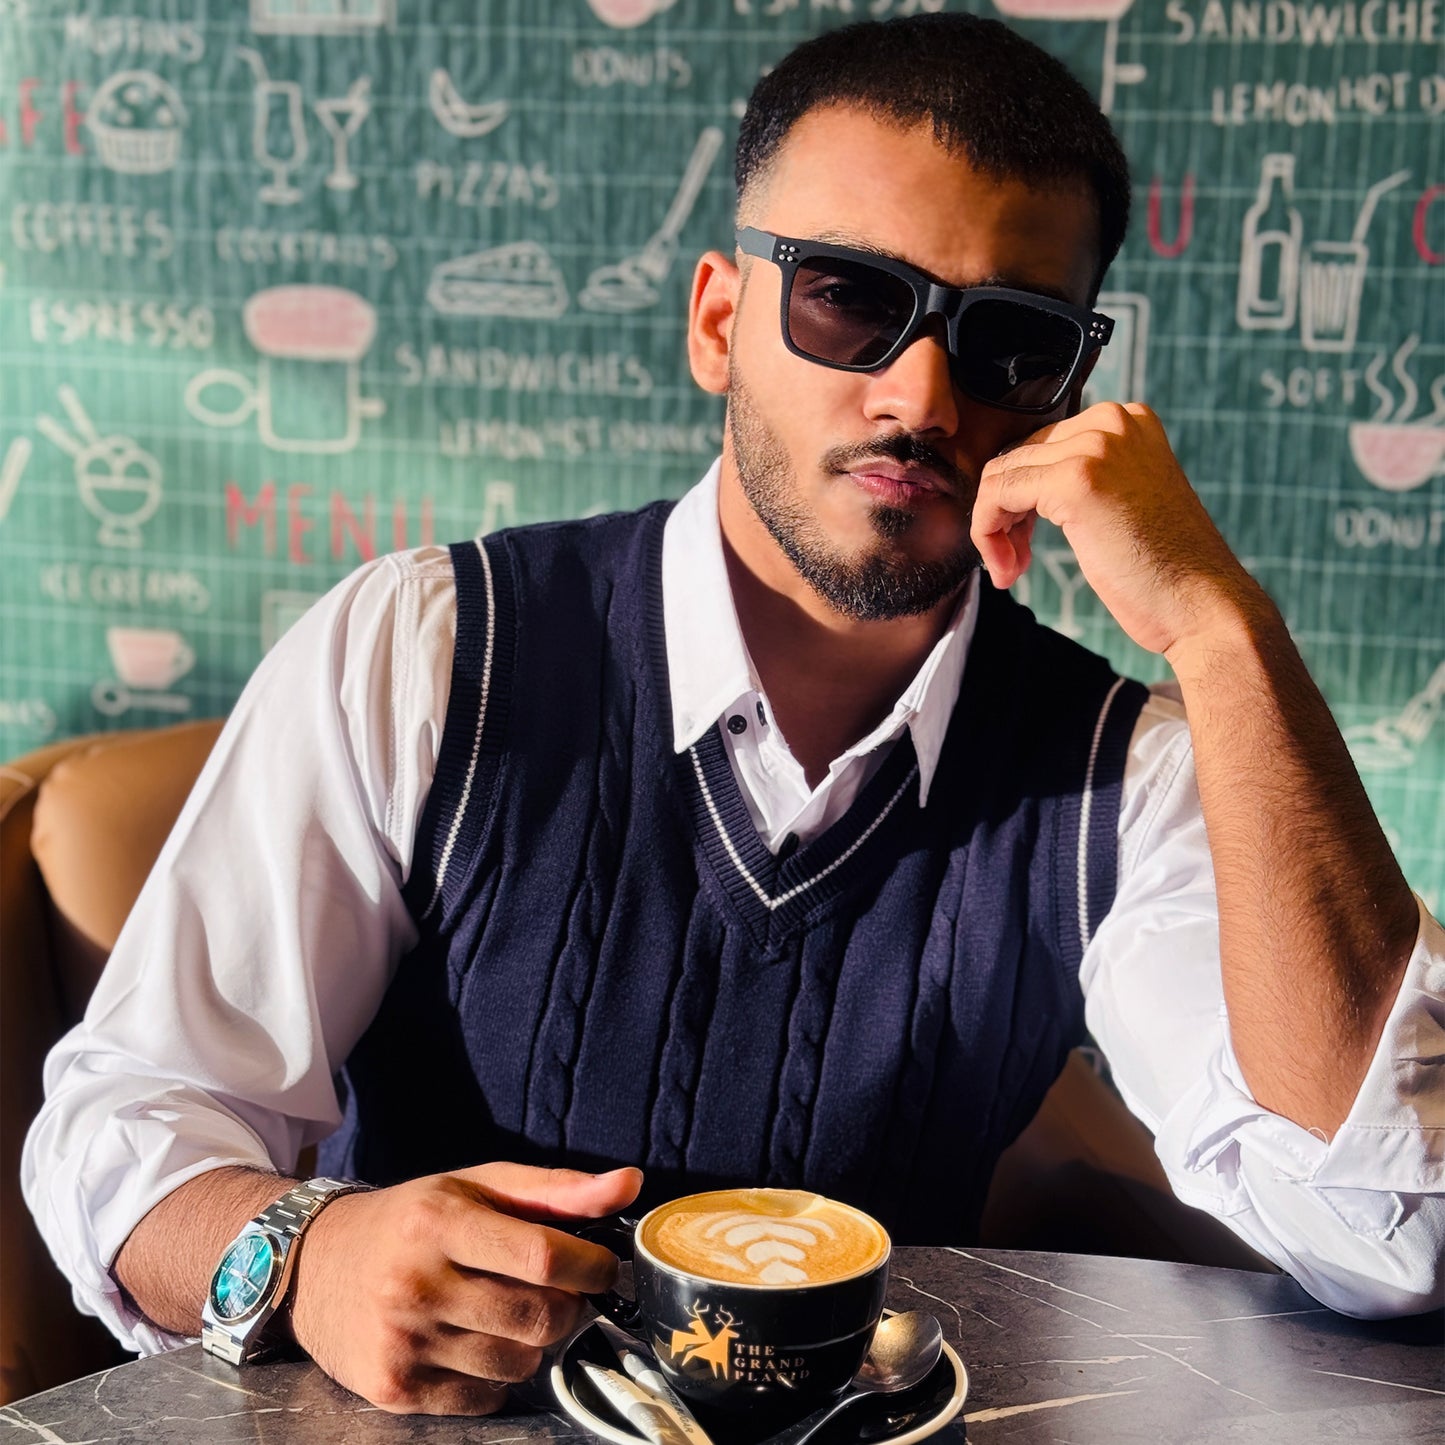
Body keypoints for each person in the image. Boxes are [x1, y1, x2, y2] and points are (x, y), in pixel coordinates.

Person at [24, 12, 1443, 1419]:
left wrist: (1223, 628)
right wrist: (307, 1250)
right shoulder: (429, 648)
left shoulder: (1118, 774)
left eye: (1007, 341)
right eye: (847, 295)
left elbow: (1394, 1231)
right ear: (719, 320)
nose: (918, 391)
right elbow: (123, 1127)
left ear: (1068, 390)